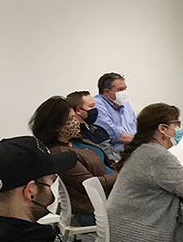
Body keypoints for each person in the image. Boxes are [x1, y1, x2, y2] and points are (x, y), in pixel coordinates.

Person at [106, 103, 183, 242]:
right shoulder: (157, 156)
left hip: (125, 227)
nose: (179, 129)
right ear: (163, 128)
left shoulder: (142, 148)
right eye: (177, 124)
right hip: (139, 233)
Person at [30, 96, 117, 226]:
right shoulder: (60, 154)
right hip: (96, 208)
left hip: (112, 194)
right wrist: (122, 175)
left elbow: (105, 163)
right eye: (71, 119)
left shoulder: (77, 140)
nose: (76, 121)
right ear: (56, 127)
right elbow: (90, 184)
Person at [67, 90, 121, 162]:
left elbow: (112, 152)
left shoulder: (99, 129)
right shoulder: (77, 136)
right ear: (78, 110)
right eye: (91, 106)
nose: (95, 109)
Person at [94, 72, 137, 153]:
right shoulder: (97, 105)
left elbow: (135, 127)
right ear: (107, 92)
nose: (124, 93)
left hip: (133, 149)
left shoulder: (126, 105)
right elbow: (113, 135)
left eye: (125, 89)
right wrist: (140, 140)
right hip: (115, 154)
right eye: (120, 90)